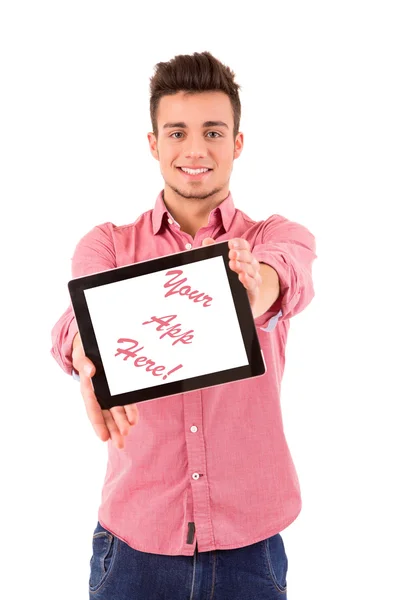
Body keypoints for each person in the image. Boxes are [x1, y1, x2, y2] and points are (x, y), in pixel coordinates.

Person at [51, 50, 317, 600]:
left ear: (238, 143)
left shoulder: (274, 236)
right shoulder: (107, 245)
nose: (195, 150)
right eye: (177, 133)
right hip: (132, 551)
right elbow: (76, 321)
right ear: (154, 144)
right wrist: (85, 352)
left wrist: (252, 291)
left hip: (252, 551)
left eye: (214, 132)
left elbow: (282, 280)